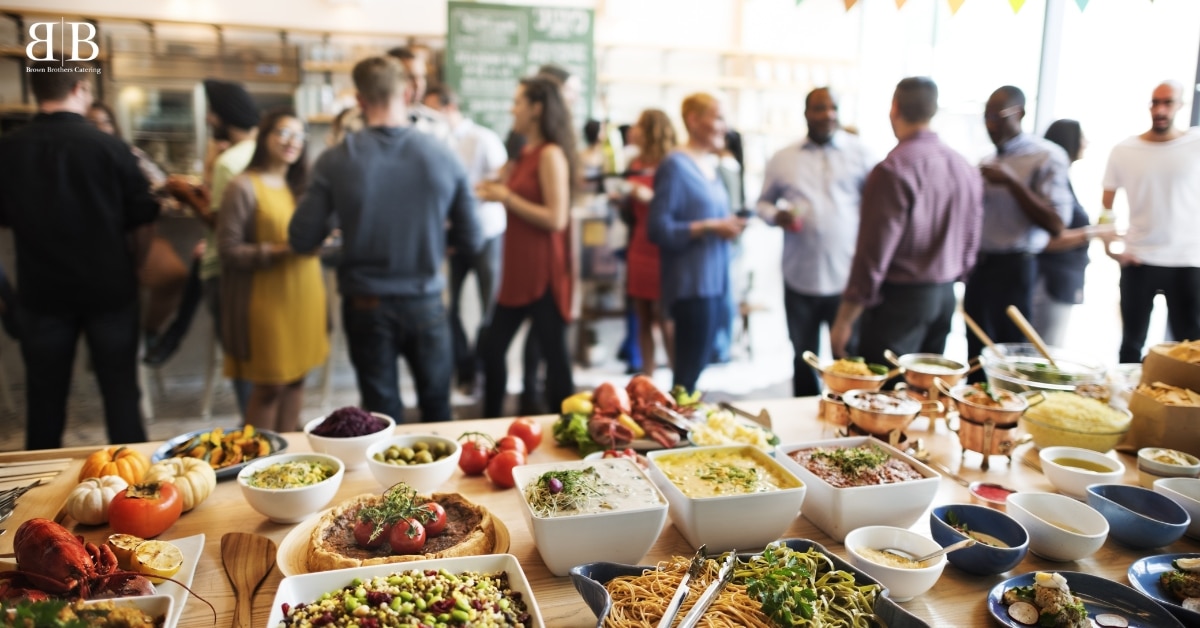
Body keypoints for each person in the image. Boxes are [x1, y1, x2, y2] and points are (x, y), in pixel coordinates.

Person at [290, 56, 481, 423]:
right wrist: (431, 236)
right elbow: (471, 238)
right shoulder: (444, 156)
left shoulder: (335, 160)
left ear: (360, 101)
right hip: (426, 299)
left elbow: (301, 238)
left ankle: (390, 482)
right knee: (438, 406)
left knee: (380, 413)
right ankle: (445, 480)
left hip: (366, 303)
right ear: (408, 93)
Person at [0, 61, 159, 449]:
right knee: (122, 396)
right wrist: (136, 266)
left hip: (41, 291)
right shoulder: (111, 147)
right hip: (110, 289)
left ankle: (38, 496)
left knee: (44, 400)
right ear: (82, 88)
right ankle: (138, 492)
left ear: (35, 90)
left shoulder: (8, 150)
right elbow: (143, 216)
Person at [830, 77, 984, 364]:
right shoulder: (963, 166)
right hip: (944, 295)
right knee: (925, 392)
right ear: (933, 110)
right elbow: (972, 238)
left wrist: (844, 319)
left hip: (901, 301)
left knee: (884, 395)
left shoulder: (893, 169)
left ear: (894, 108)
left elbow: (872, 255)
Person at [757, 87, 874, 396]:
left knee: (848, 359)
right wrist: (775, 215)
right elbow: (762, 204)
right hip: (800, 277)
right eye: (820, 108)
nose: (828, 114)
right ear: (806, 113)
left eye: (833, 107)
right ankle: (805, 423)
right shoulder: (784, 158)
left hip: (846, 280)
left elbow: (877, 208)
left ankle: (847, 421)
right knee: (803, 356)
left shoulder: (861, 153)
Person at [218, 108, 328, 432]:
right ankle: (257, 465)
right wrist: (282, 249)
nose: (291, 141)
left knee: (297, 381)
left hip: (306, 294)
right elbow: (228, 250)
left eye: (298, 135)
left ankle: (288, 463)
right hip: (265, 300)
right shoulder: (243, 186)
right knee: (270, 386)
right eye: (283, 133)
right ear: (264, 136)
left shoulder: (303, 189)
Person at [475, 76, 579, 418]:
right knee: (492, 350)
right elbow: (502, 185)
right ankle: (490, 426)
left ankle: (569, 439)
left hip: (543, 273)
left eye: (518, 102)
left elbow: (556, 218)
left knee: (555, 362)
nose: (512, 108)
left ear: (536, 108)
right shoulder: (523, 152)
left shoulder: (550, 154)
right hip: (518, 272)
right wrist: (491, 190)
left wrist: (506, 197)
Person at [165, 79, 260, 414]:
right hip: (261, 271)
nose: (207, 120)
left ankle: (256, 430)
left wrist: (189, 197)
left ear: (221, 115)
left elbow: (221, 227)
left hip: (225, 272)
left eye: (210, 113)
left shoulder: (228, 162)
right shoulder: (262, 152)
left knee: (240, 359)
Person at [963, 85, 1073, 366]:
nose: (991, 124)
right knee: (976, 352)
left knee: (1010, 355)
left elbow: (1057, 224)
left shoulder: (1046, 156)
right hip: (980, 268)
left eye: (997, 116)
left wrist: (1013, 183)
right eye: (986, 117)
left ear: (1020, 113)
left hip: (1015, 268)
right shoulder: (987, 160)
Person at [648, 93, 747, 393]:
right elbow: (658, 229)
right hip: (691, 285)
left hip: (716, 282)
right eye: (717, 117)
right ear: (693, 120)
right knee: (687, 374)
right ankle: (677, 432)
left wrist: (727, 224)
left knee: (698, 367)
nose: (724, 127)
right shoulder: (675, 166)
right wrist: (710, 227)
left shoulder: (710, 165)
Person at [86, 103, 197, 362]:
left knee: (175, 275)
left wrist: (168, 202)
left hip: (135, 241)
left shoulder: (131, 155)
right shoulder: (76, 158)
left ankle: (150, 331)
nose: (100, 128)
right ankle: (101, 342)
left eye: (105, 121)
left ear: (115, 125)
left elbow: (162, 188)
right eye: (92, 123)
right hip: (93, 247)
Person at [1102, 80, 1200, 363]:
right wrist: (1110, 247)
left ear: (1179, 105)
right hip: (1139, 258)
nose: (1160, 109)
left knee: (1190, 346)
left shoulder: (1195, 143)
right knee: (1131, 344)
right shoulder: (1124, 150)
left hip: (1187, 260)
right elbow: (1106, 207)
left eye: (1167, 102)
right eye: (1155, 102)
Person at [422, 84, 509, 394]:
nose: (426, 119)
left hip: (487, 233)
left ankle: (480, 368)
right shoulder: (434, 142)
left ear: (448, 108)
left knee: (489, 308)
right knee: (449, 308)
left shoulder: (483, 138)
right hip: (452, 235)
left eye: (431, 110)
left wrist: (465, 194)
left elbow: (501, 182)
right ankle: (465, 366)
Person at [1032, 120, 1115, 346]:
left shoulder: (1063, 181)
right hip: (1050, 281)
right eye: (1082, 137)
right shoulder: (1051, 185)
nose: (1086, 143)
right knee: (1042, 354)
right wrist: (1093, 232)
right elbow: (1045, 241)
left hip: (1060, 281)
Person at [619, 109, 678, 376]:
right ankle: (648, 377)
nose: (633, 129)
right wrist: (621, 199)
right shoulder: (634, 163)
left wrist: (649, 197)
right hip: (639, 245)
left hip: (663, 248)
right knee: (642, 316)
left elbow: (678, 207)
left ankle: (680, 381)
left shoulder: (674, 162)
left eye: (639, 125)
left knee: (666, 318)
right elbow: (628, 213)